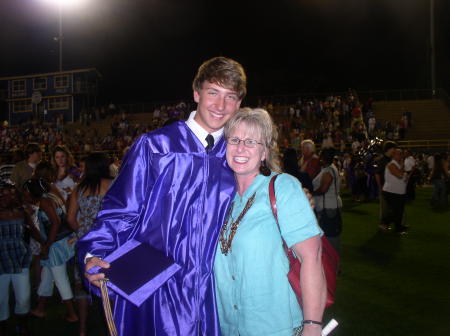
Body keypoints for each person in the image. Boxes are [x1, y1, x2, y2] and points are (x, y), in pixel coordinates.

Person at [78, 57, 246, 335]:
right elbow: (121, 210)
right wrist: (95, 253)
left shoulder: (239, 155)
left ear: (239, 104)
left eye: (230, 97)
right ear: (196, 93)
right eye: (212, 92)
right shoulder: (157, 146)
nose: (220, 105)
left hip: (216, 289)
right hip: (157, 286)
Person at [214, 108, 325, 336]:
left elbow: (311, 258)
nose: (241, 147)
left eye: (251, 141)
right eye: (234, 139)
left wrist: (312, 326)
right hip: (228, 328)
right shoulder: (219, 196)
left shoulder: (283, 187)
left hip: (276, 327)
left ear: (264, 152)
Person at [67, 153, 113, 336]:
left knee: (82, 284)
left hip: (86, 242)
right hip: (108, 239)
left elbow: (70, 218)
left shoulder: (79, 189)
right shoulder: (112, 184)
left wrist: (82, 232)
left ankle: (83, 329)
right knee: (109, 283)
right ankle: (113, 326)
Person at [23, 178, 78, 322]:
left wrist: (47, 245)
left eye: (25, 191)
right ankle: (40, 308)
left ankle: (72, 313)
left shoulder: (45, 202)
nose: (24, 194)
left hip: (55, 245)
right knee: (47, 276)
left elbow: (56, 222)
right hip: (58, 242)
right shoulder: (49, 198)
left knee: (60, 279)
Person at [0, 183, 40, 335]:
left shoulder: (21, 212)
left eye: (10, 194)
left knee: (23, 297)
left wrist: (45, 244)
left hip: (20, 256)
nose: (6, 198)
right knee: (1, 298)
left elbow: (34, 230)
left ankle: (22, 324)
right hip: (1, 259)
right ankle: (2, 325)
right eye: (2, 195)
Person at [312, 148, 343, 252]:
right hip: (330, 205)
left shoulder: (328, 171)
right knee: (329, 237)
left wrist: (312, 192)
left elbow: (323, 189)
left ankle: (334, 264)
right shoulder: (330, 168)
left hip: (329, 207)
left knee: (330, 238)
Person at [382, 149, 409, 235]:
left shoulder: (398, 164)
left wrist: (402, 167)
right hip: (391, 191)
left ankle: (398, 226)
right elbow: (399, 175)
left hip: (399, 191)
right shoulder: (391, 164)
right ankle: (385, 223)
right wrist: (402, 169)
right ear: (393, 155)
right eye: (399, 154)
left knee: (399, 211)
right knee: (395, 211)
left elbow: (403, 175)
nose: (401, 156)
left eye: (401, 154)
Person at [375, 141, 397, 231]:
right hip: (384, 187)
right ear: (389, 149)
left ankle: (388, 223)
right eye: (393, 149)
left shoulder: (391, 160)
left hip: (391, 187)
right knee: (385, 207)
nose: (394, 151)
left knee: (391, 207)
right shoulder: (382, 160)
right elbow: (377, 174)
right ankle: (383, 224)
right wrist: (380, 187)